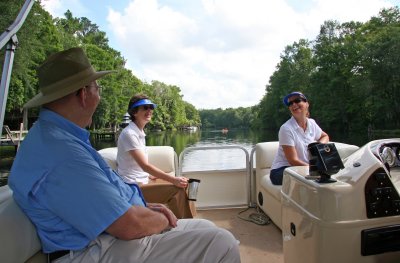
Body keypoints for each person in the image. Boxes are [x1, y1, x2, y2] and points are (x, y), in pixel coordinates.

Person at [8, 47, 240, 263]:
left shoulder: (58, 137)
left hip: (108, 234)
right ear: (83, 94)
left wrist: (146, 208)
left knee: (207, 227)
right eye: (97, 89)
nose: (99, 96)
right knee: (223, 243)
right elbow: (129, 225)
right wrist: (159, 217)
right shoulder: (62, 152)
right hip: (92, 249)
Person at [117, 94, 195, 218]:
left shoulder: (139, 132)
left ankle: (187, 221)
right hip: (133, 188)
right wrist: (172, 179)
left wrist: (151, 175)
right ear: (134, 112)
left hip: (142, 180)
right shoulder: (130, 134)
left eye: (151, 107)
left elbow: (136, 165)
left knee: (185, 184)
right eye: (145, 108)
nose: (149, 111)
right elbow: (145, 166)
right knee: (177, 189)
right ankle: (186, 226)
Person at [270, 91, 329, 185]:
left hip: (302, 168)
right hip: (281, 171)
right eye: (290, 103)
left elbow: (325, 136)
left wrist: (319, 146)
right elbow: (293, 160)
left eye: (297, 101)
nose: (294, 104)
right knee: (315, 181)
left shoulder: (312, 123)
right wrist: (315, 169)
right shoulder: (286, 129)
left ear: (307, 104)